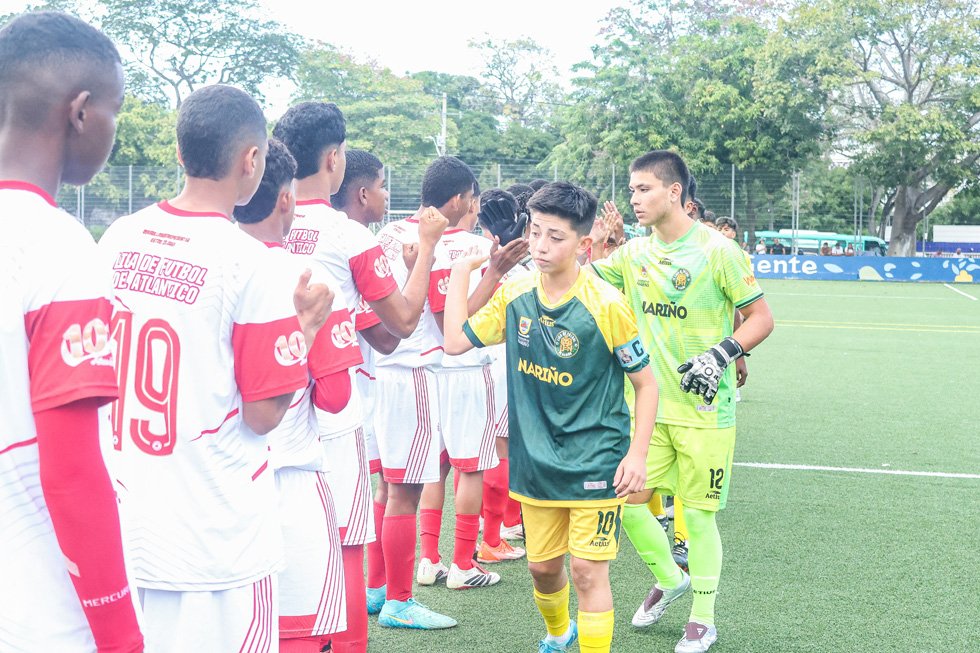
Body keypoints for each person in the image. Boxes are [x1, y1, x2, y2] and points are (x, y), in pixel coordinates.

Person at [100, 84, 332, 652]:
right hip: (216, 540)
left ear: (180, 153)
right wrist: (304, 330)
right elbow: (262, 414)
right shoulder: (248, 263)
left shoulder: (116, 238)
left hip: (128, 526)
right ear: (252, 161)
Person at [442, 181, 658, 653]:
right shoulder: (515, 291)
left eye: (554, 236)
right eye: (535, 231)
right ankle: (559, 634)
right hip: (535, 463)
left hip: (595, 460)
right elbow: (455, 341)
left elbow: (646, 383)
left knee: (586, 570)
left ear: (583, 245)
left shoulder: (607, 304)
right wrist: (462, 273)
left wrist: (637, 455)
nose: (540, 245)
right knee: (542, 569)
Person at [274, 102, 448, 650]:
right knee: (346, 539)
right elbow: (399, 324)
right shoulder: (345, 234)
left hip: (262, 410)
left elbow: (375, 331)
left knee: (277, 543)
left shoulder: (253, 223)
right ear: (333, 158)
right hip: (329, 415)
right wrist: (426, 254)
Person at [0, 12, 143, 653]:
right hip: (37, 605)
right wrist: (119, 635)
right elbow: (72, 470)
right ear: (81, 111)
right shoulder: (55, 244)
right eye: (116, 110)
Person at [591, 150, 774, 653]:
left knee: (698, 516)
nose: (635, 199)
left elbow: (761, 318)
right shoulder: (631, 256)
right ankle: (670, 578)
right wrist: (590, 249)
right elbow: (588, 288)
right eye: (631, 190)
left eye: (644, 189)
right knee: (621, 503)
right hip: (648, 410)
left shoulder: (719, 251)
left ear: (675, 192)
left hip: (705, 413)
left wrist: (723, 352)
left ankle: (703, 617)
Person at [234, 139, 352, 653]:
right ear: (287, 199)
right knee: (300, 631)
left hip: (212, 476)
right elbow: (335, 396)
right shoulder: (308, 281)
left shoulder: (216, 262)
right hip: (291, 476)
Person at [329, 148, 400, 617]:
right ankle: (391, 596)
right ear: (361, 192)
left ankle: (378, 593)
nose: (386, 194)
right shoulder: (352, 238)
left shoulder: (280, 229)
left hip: (322, 390)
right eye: (381, 184)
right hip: (356, 391)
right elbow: (397, 332)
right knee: (395, 489)